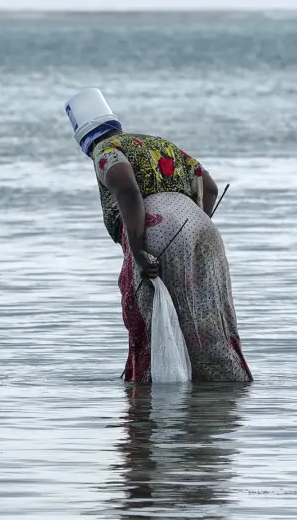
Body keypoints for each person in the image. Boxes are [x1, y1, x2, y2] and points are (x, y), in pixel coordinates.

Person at [65, 87, 251, 383]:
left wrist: (139, 250)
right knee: (209, 315)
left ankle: (154, 396)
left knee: (148, 318)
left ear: (85, 140)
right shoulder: (158, 144)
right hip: (203, 229)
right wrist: (193, 223)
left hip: (157, 233)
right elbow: (210, 187)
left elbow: (127, 190)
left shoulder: (106, 149)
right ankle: (223, 389)